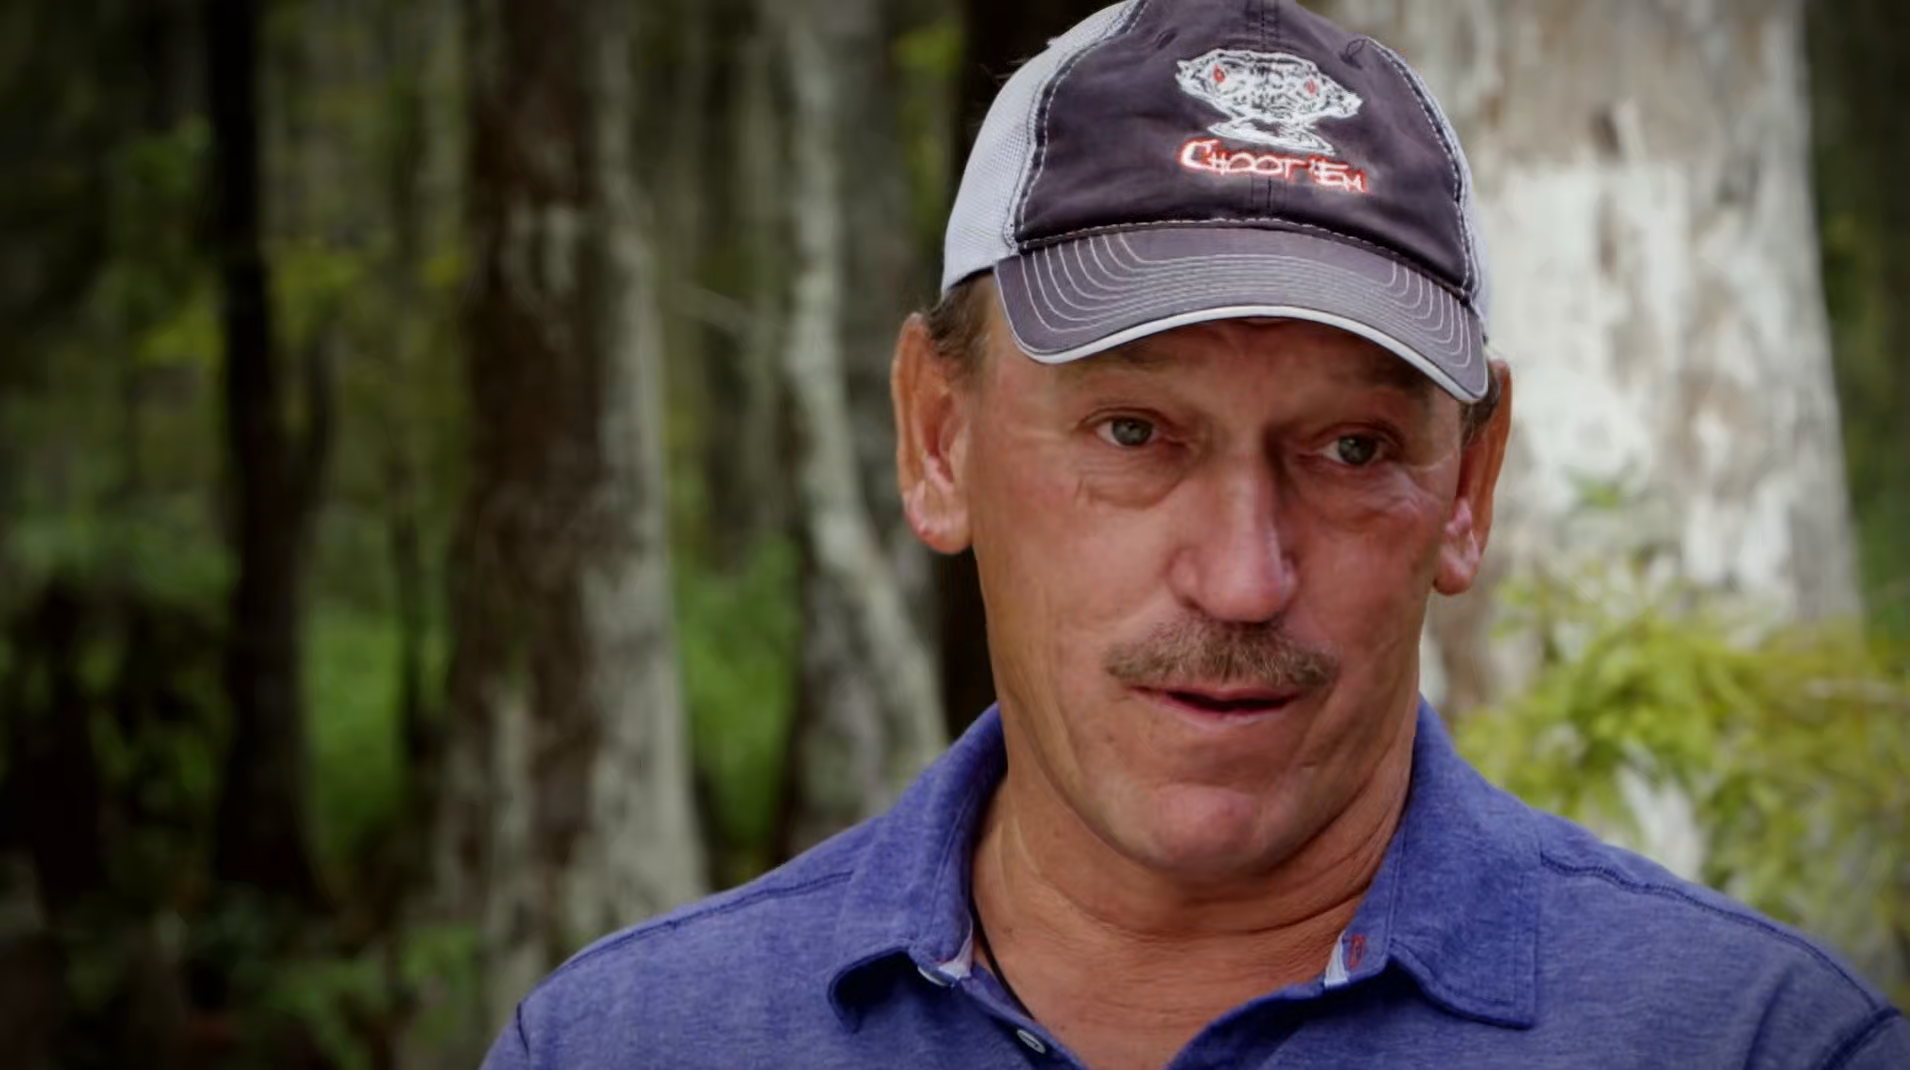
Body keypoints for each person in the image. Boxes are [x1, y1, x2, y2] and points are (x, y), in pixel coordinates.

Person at [481, 1, 1910, 1067]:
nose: (1241, 576)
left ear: (1468, 485)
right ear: (937, 437)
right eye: (1132, 433)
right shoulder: (631, 1043)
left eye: (1351, 449)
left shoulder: (1755, 1043)